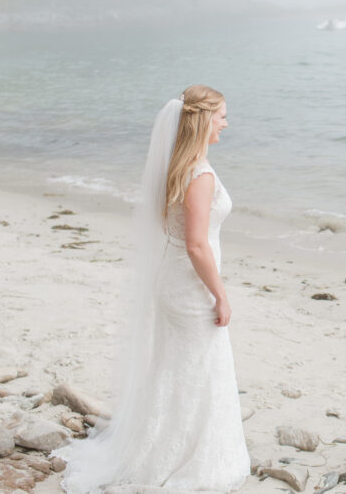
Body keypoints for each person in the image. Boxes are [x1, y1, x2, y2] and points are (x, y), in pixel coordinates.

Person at [55, 85, 249, 492]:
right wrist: (221, 294)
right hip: (190, 285)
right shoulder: (201, 175)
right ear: (203, 120)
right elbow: (196, 244)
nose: (226, 124)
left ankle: (161, 444)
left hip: (173, 277)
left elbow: (175, 232)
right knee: (196, 369)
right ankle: (179, 456)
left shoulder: (178, 167)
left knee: (175, 368)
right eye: (222, 117)